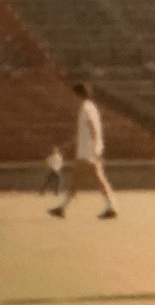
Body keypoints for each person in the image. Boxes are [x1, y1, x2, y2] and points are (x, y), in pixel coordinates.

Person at [48, 83, 119, 220]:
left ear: (78, 95)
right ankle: (111, 207)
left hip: (87, 152)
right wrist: (66, 147)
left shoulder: (85, 109)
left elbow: (93, 128)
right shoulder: (91, 107)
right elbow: (83, 133)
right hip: (90, 150)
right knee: (97, 179)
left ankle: (63, 208)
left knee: (78, 179)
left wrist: (95, 148)